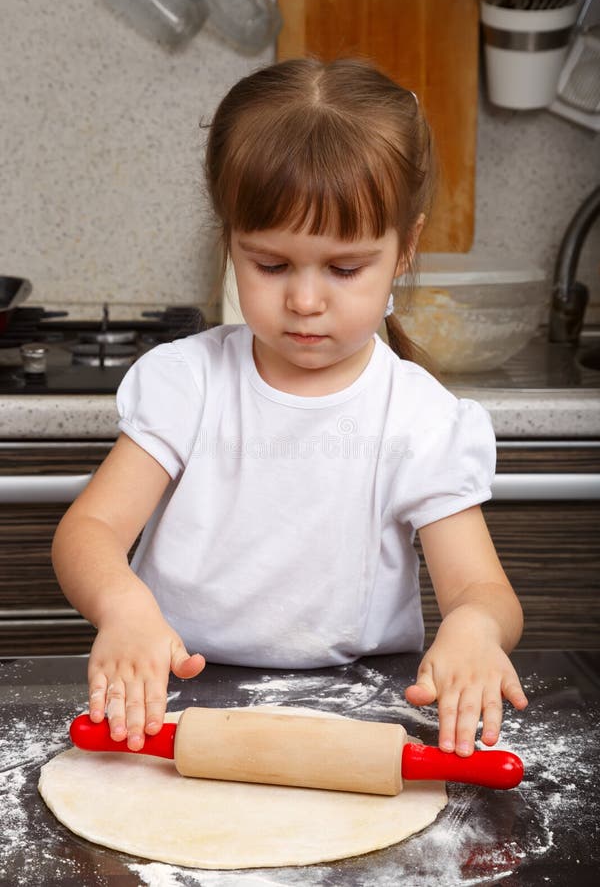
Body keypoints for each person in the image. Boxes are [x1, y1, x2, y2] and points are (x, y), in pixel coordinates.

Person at [52, 57, 527, 760]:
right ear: (230, 242)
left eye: (344, 268)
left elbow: (481, 588)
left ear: (406, 250)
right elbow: (88, 531)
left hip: (359, 713)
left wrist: (476, 630)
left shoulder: (418, 416)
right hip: (178, 702)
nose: (305, 301)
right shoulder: (190, 381)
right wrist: (122, 609)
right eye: (270, 265)